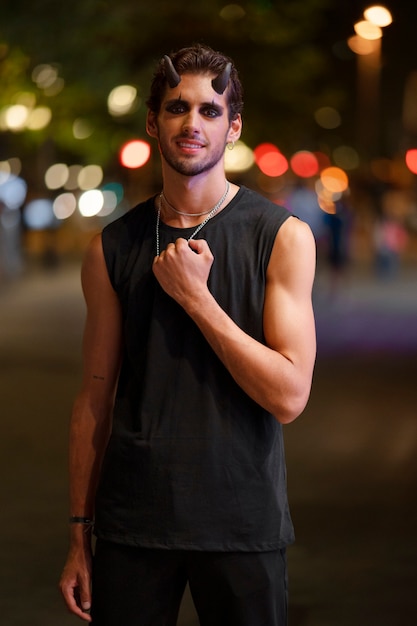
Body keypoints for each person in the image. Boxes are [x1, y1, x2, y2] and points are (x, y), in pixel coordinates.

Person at [59, 43, 316, 626]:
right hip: (133, 526)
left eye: (209, 110)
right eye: (177, 108)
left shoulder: (282, 237)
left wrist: (198, 299)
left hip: (242, 523)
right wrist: (80, 535)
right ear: (153, 122)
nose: (192, 124)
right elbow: (94, 401)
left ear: (233, 128)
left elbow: (289, 396)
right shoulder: (111, 247)